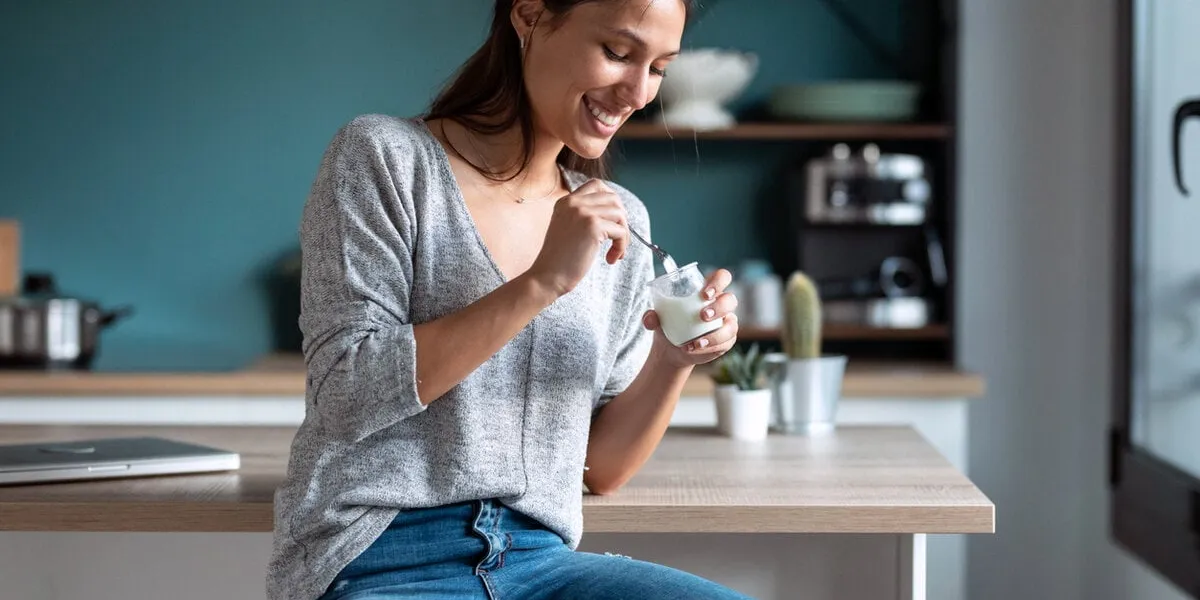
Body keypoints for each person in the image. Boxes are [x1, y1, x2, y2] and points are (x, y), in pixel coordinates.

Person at [267, 0, 746, 598]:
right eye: (618, 53)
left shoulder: (618, 218)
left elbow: (601, 470)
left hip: (540, 563)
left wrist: (673, 359)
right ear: (530, 16)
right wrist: (542, 281)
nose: (637, 93)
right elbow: (344, 396)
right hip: (382, 557)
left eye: (658, 69)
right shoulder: (383, 158)